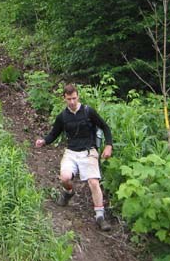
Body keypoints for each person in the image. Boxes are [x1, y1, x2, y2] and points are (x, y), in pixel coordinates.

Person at [35, 84, 113, 231]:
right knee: (64, 178)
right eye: (69, 99)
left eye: (74, 98)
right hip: (71, 152)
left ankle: (100, 216)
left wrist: (109, 145)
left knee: (94, 182)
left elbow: (105, 127)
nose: (72, 102)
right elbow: (54, 133)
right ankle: (69, 192)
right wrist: (44, 141)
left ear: (78, 97)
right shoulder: (62, 117)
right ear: (64, 98)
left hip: (89, 151)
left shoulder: (88, 112)